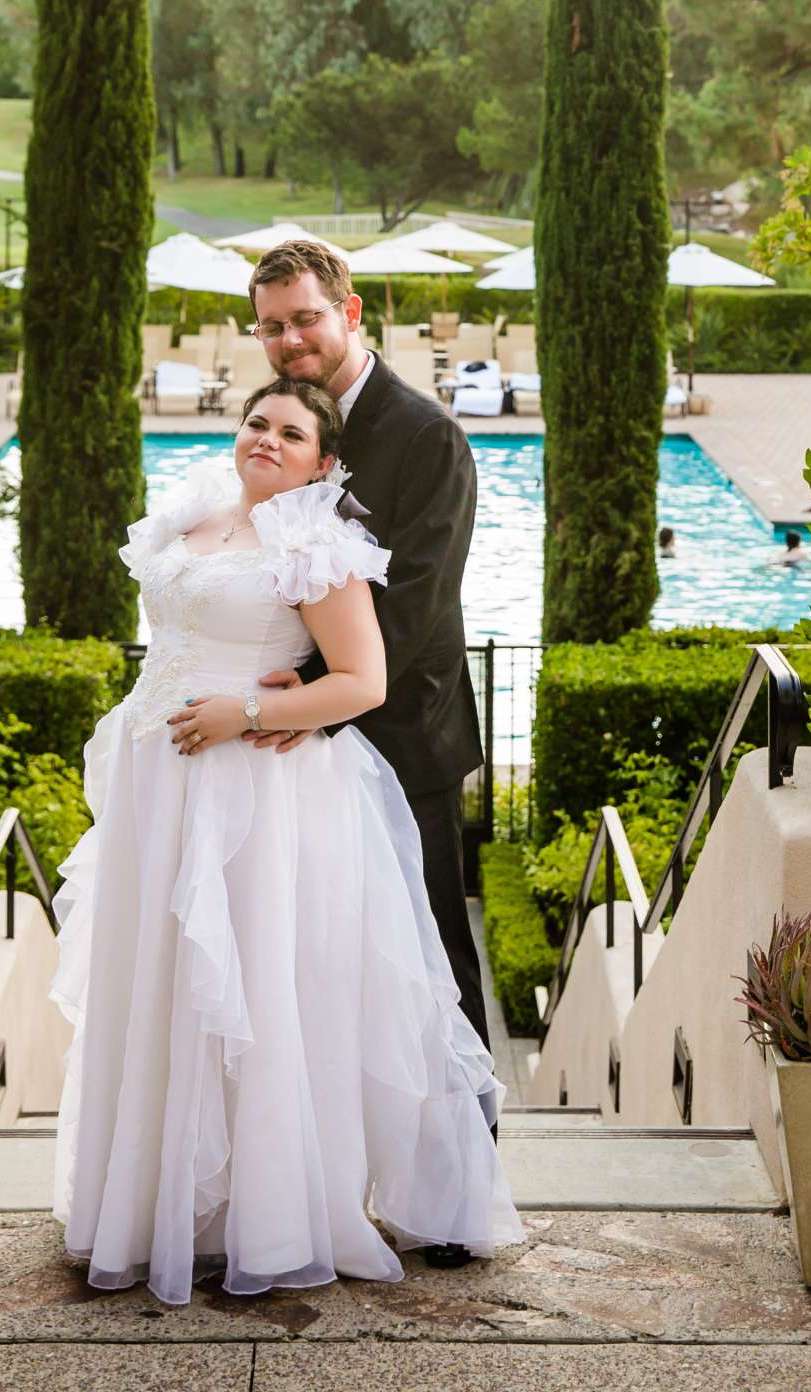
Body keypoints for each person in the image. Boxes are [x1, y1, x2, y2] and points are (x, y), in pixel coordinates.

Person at [50, 374, 521, 1306]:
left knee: (255, 991)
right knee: (162, 987)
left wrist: (250, 710)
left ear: (325, 460)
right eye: (257, 423)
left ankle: (267, 1213)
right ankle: (158, 1205)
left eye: (292, 433)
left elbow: (362, 681)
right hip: (158, 791)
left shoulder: (317, 543)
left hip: (254, 794)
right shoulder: (195, 514)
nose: (267, 440)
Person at [241, 243, 487, 1062]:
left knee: (429, 949)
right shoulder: (284, 419)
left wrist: (308, 696)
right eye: (270, 326)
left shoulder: (429, 436)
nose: (289, 340)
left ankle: (469, 1148)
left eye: (305, 318)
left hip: (403, 738)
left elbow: (416, 600)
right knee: (328, 959)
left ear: (349, 313)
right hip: (302, 749)